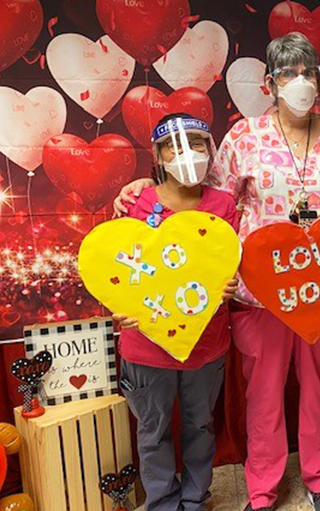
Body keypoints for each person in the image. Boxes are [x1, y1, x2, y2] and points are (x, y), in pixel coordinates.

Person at [113, 33, 320, 511]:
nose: (301, 82)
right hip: (258, 292)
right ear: (270, 82)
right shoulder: (243, 137)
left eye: (308, 73)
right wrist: (146, 181)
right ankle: (264, 488)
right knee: (264, 397)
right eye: (289, 74)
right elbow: (201, 201)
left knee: (319, 390)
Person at [112, 112, 239, 511]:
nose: (186, 154)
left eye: (197, 144)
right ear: (159, 154)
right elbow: (114, 266)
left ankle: (195, 498)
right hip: (146, 345)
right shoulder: (137, 202)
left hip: (206, 342)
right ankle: (163, 503)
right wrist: (121, 309)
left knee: (200, 426)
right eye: (174, 146)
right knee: (154, 430)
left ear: (210, 149)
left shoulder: (224, 205)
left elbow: (229, 265)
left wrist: (231, 286)